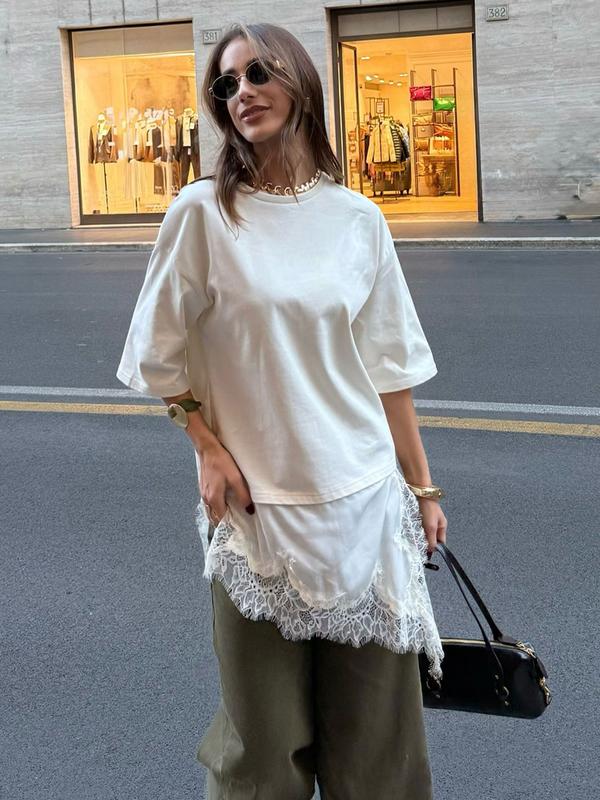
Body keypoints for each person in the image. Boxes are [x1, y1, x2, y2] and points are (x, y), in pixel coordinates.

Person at [116, 21, 448, 800]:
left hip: (364, 508)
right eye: (226, 84)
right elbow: (157, 355)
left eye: (258, 73)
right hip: (257, 515)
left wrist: (423, 488)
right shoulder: (203, 213)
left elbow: (389, 368)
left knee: (379, 755)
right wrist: (205, 445)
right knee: (261, 757)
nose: (243, 92)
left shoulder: (357, 219)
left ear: (299, 81)